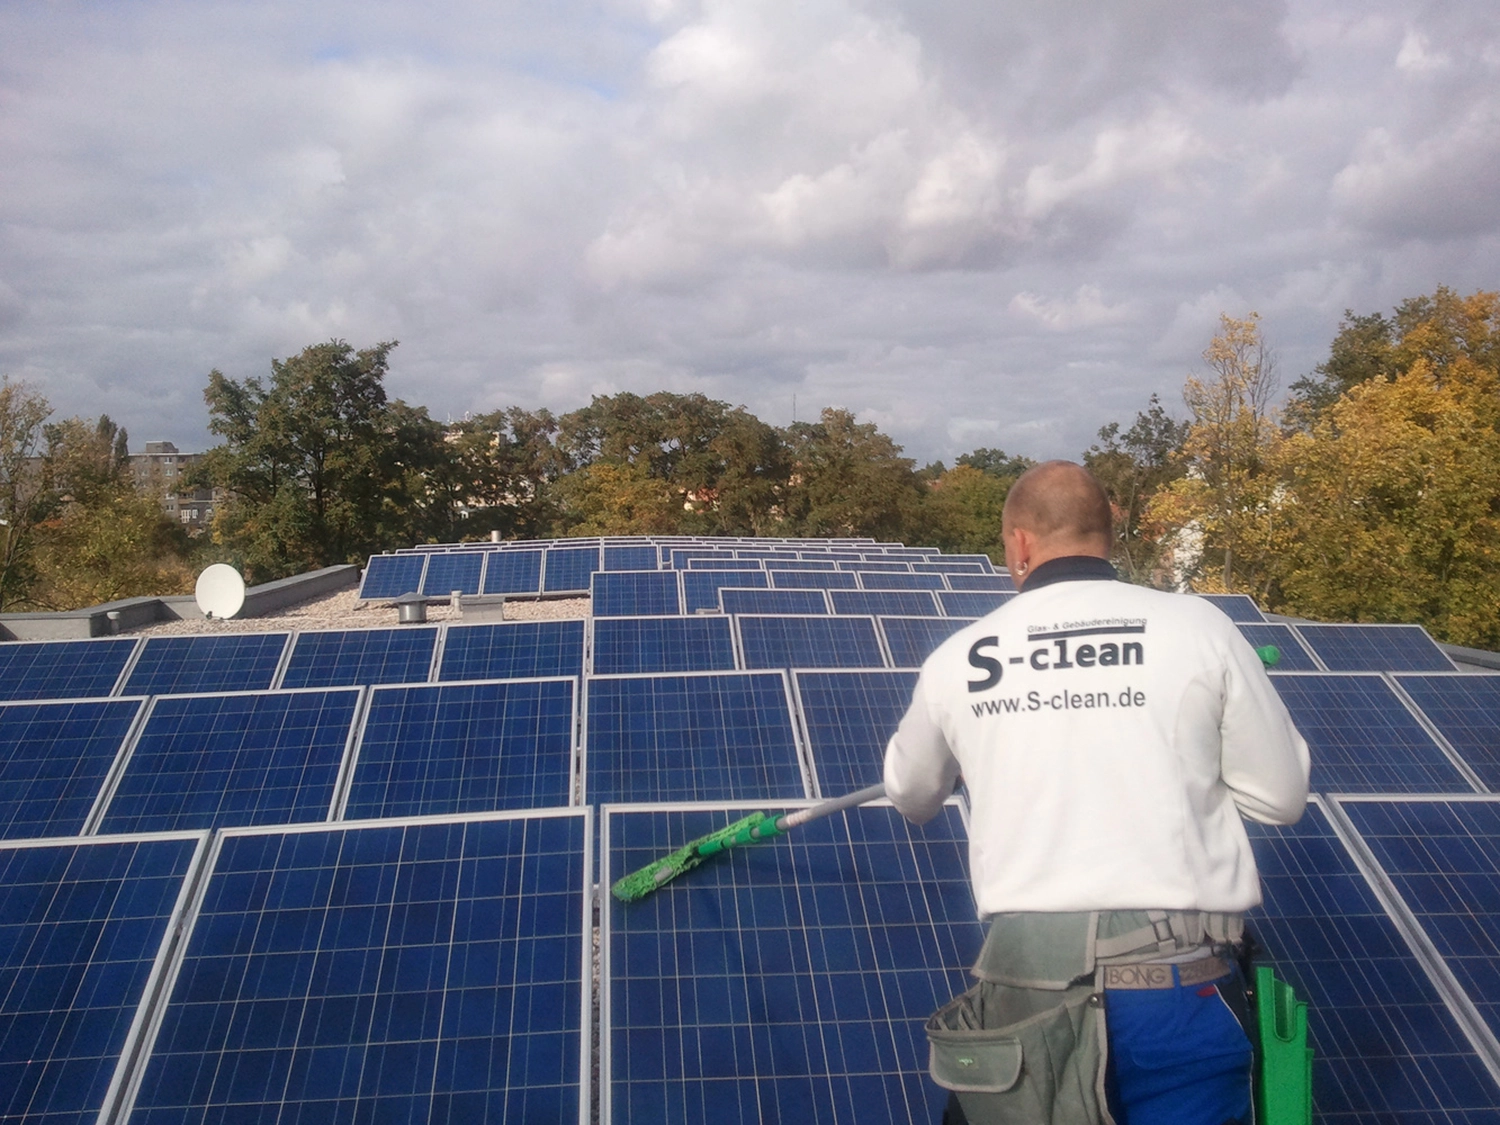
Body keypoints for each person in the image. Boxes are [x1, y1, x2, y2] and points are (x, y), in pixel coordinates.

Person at [883, 460, 1309, 1125]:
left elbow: (909, 793)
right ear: (1110, 534)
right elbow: (1280, 798)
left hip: (1030, 999)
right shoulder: (1201, 628)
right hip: (1178, 988)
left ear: (1019, 544)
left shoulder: (960, 657)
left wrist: (985, 752)